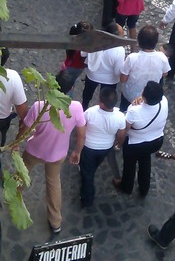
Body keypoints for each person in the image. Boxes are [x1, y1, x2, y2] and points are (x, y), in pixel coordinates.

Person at [19, 71, 86, 234]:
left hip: (34, 149)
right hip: (57, 154)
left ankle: (13, 195)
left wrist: (16, 143)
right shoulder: (76, 108)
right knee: (54, 183)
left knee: (22, 172)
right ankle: (55, 221)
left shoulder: (39, 106)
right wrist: (77, 152)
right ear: (72, 88)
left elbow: (25, 129)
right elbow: (81, 135)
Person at [115, 81, 168, 196]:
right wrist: (141, 98)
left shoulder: (134, 110)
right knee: (145, 160)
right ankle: (144, 188)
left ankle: (126, 186)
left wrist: (119, 144)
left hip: (135, 144)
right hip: (156, 141)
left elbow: (125, 129)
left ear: (144, 95)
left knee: (129, 165)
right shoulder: (164, 101)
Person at [79, 87, 126, 207]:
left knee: (87, 173)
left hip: (88, 147)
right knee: (94, 165)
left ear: (101, 102)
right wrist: (118, 145)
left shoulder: (90, 112)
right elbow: (121, 135)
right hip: (106, 147)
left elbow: (81, 130)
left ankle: (87, 199)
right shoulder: (120, 117)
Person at [119, 25, 170, 111]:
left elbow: (123, 79)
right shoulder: (162, 57)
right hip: (148, 98)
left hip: (130, 96)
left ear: (139, 41)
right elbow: (165, 73)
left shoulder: (132, 58)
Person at [81, 22, 125, 110]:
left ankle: (83, 109)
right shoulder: (119, 50)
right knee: (106, 100)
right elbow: (117, 71)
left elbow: (83, 54)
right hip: (110, 80)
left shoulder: (94, 41)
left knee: (87, 96)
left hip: (92, 74)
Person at [60, 21, 92, 94]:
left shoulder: (72, 43)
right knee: (69, 83)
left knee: (66, 82)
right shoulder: (83, 48)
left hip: (70, 65)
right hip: (78, 67)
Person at [0, 64, 27, 147]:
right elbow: (22, 107)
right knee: (2, 133)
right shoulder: (12, 76)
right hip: (2, 118)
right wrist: (23, 121)